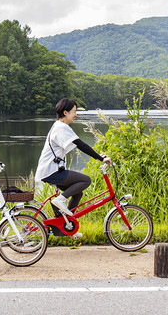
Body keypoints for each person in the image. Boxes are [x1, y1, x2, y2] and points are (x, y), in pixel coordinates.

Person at [35, 98, 111, 237]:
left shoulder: (58, 126)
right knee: (85, 181)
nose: (76, 114)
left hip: (50, 170)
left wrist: (99, 156)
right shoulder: (61, 128)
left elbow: (79, 145)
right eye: (74, 111)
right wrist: (101, 158)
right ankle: (60, 200)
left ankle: (66, 226)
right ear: (65, 112)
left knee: (77, 193)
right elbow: (81, 145)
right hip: (51, 171)